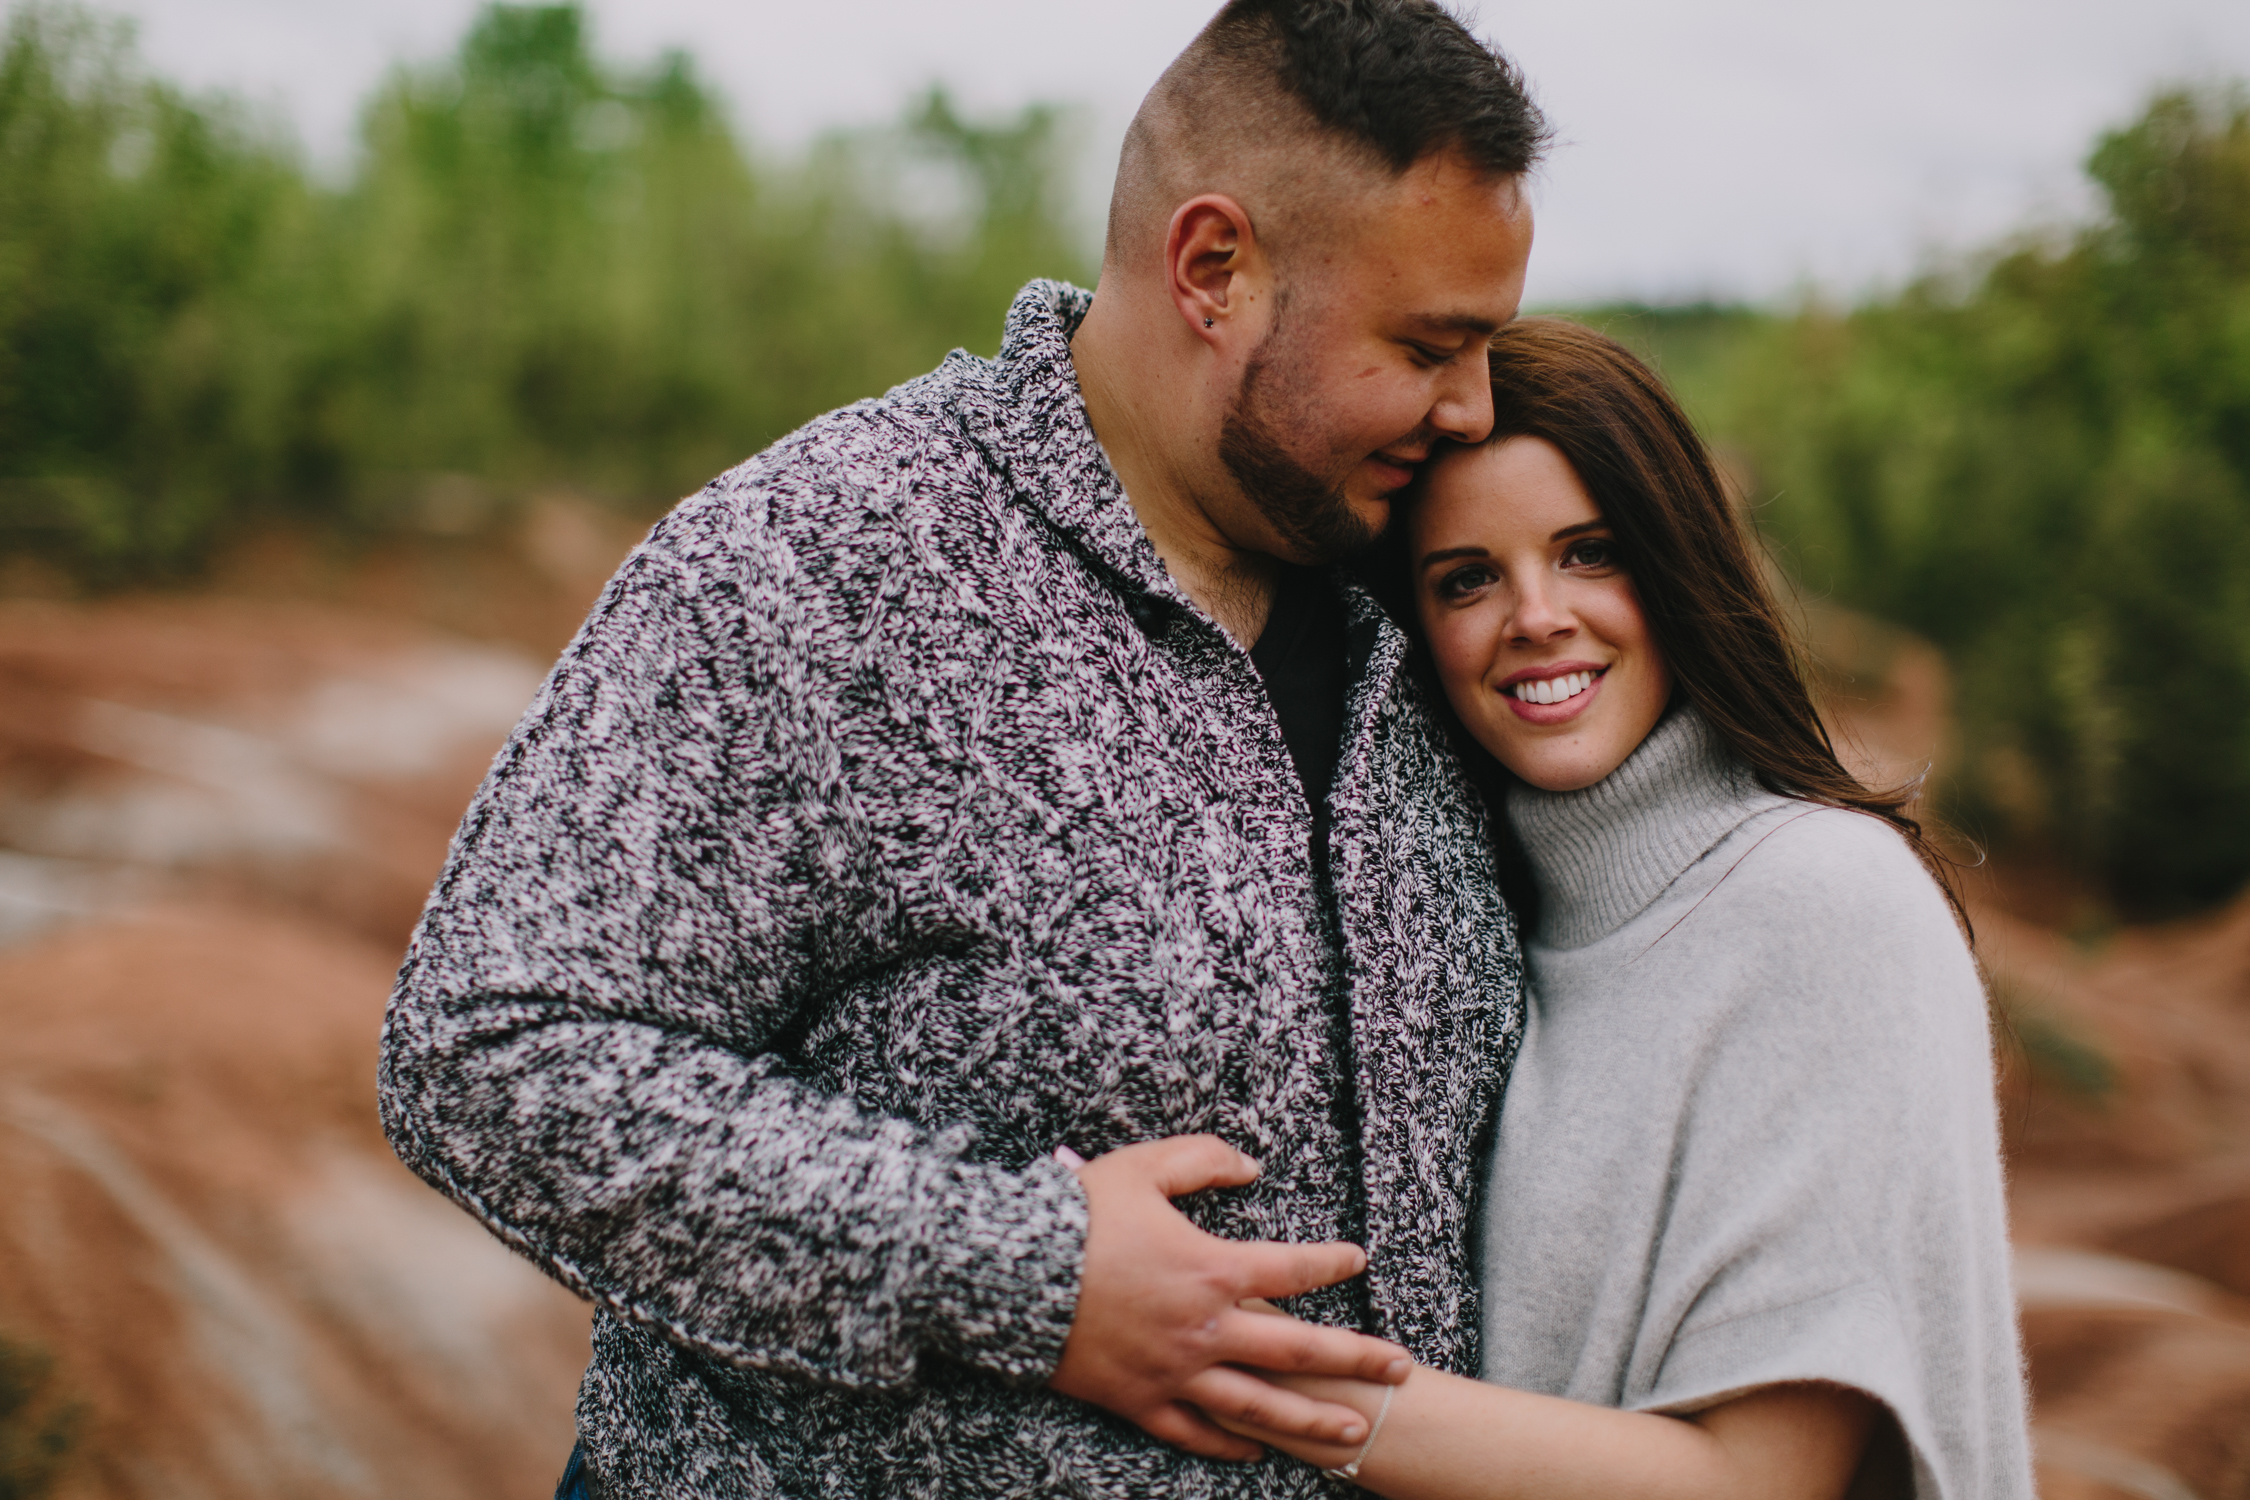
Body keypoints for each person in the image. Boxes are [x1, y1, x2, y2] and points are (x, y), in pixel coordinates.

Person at [378, 3, 1546, 1496]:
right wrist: (1019, 1272)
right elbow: (488, 1048)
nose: (1472, 408)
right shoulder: (821, 561)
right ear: (1213, 270)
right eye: (1428, 346)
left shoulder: (1428, 593)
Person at [1214, 318, 2035, 1498]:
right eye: (1467, 579)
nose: (1536, 614)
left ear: (1679, 563)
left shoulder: (1826, 905)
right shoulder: (1488, 936)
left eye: (1590, 552)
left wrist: (1242, 1368)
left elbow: (1757, 1483)